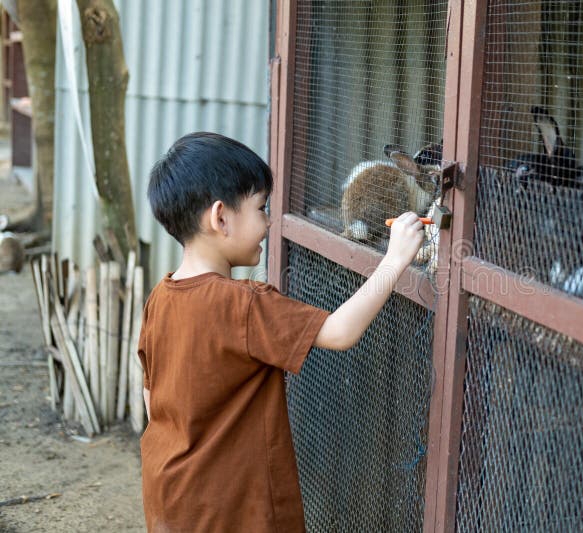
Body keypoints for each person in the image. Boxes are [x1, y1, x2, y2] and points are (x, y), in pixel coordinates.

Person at [138, 131, 424, 532]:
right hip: (236, 508)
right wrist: (394, 260)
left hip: (170, 492)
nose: (270, 221)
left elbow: (153, 401)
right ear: (220, 218)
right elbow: (340, 332)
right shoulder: (244, 304)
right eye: (261, 208)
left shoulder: (160, 297)